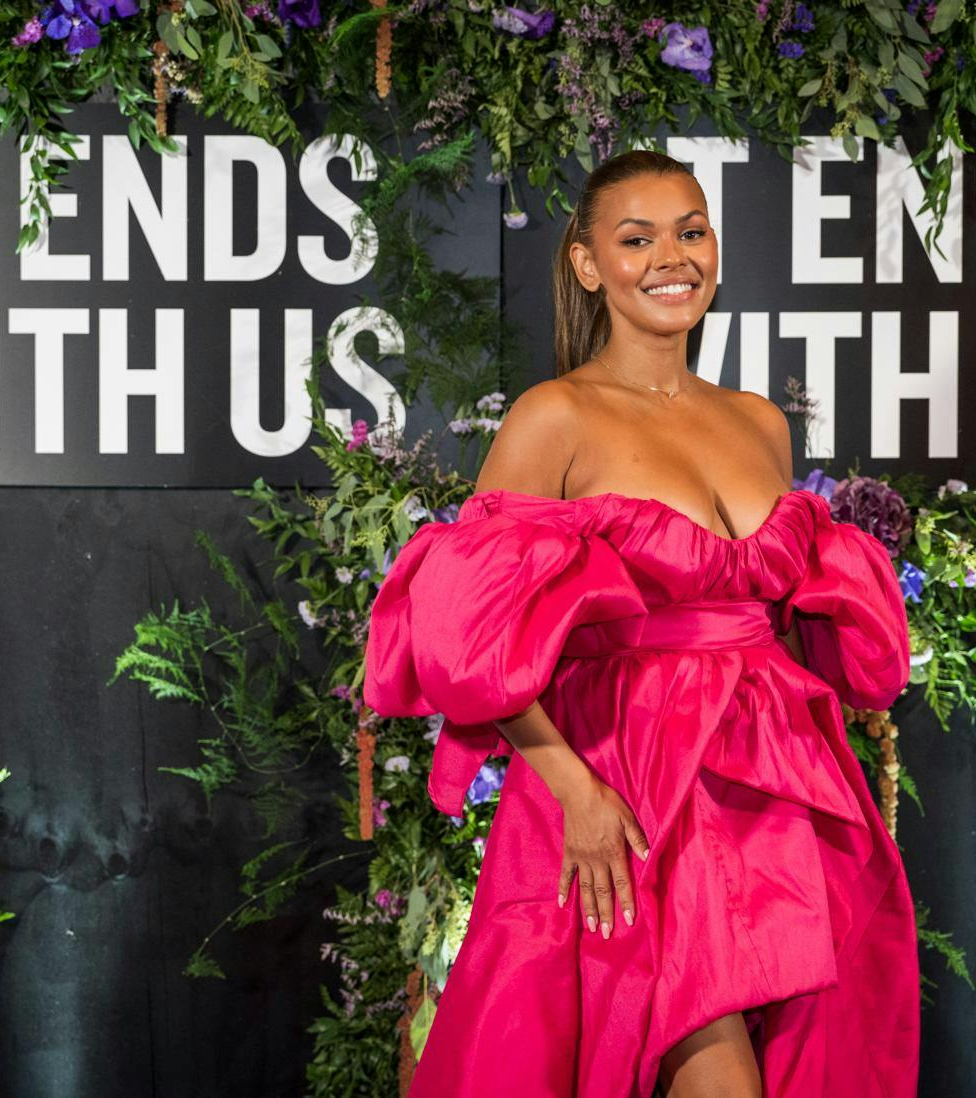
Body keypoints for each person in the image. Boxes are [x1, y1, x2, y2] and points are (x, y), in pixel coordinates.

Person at [363, 149, 919, 1098]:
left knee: (792, 1058)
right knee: (696, 1061)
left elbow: (771, 619)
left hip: (771, 780)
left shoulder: (761, 424)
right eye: (638, 238)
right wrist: (570, 789)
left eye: (691, 231)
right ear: (589, 264)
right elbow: (471, 637)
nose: (673, 257)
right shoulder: (555, 418)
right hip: (625, 782)